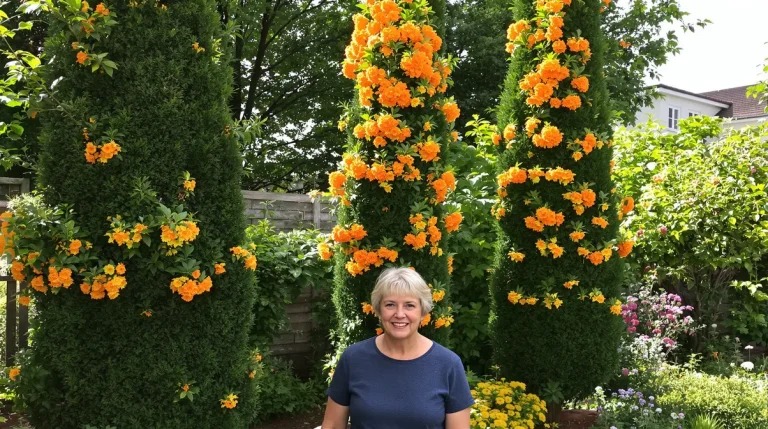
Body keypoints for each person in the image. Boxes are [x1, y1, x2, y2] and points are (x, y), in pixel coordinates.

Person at [321, 267, 474, 429]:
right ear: (378, 310)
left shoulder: (448, 364)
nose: (400, 314)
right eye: (390, 305)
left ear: (423, 311)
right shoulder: (353, 358)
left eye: (409, 305)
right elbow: (332, 424)